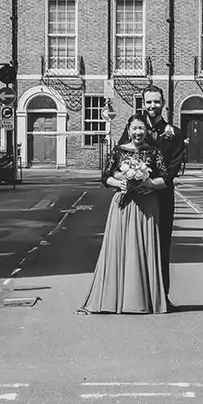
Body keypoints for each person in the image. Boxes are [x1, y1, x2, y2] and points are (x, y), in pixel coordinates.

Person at [78, 118, 170, 315]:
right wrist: (117, 183)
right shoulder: (119, 151)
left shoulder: (154, 152)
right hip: (123, 205)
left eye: (142, 128)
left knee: (143, 248)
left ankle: (143, 299)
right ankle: (114, 298)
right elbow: (106, 176)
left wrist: (150, 183)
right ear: (129, 130)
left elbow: (165, 179)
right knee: (119, 247)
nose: (138, 132)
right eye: (135, 128)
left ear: (146, 132)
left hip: (147, 206)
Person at [135, 90, 187, 301]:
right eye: (148, 102)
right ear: (143, 104)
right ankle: (138, 295)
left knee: (162, 245)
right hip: (138, 198)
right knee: (137, 245)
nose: (152, 105)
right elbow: (120, 156)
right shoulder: (135, 128)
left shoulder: (174, 133)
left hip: (163, 196)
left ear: (163, 103)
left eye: (156, 101)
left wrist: (152, 184)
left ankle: (161, 297)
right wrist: (134, 182)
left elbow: (172, 169)